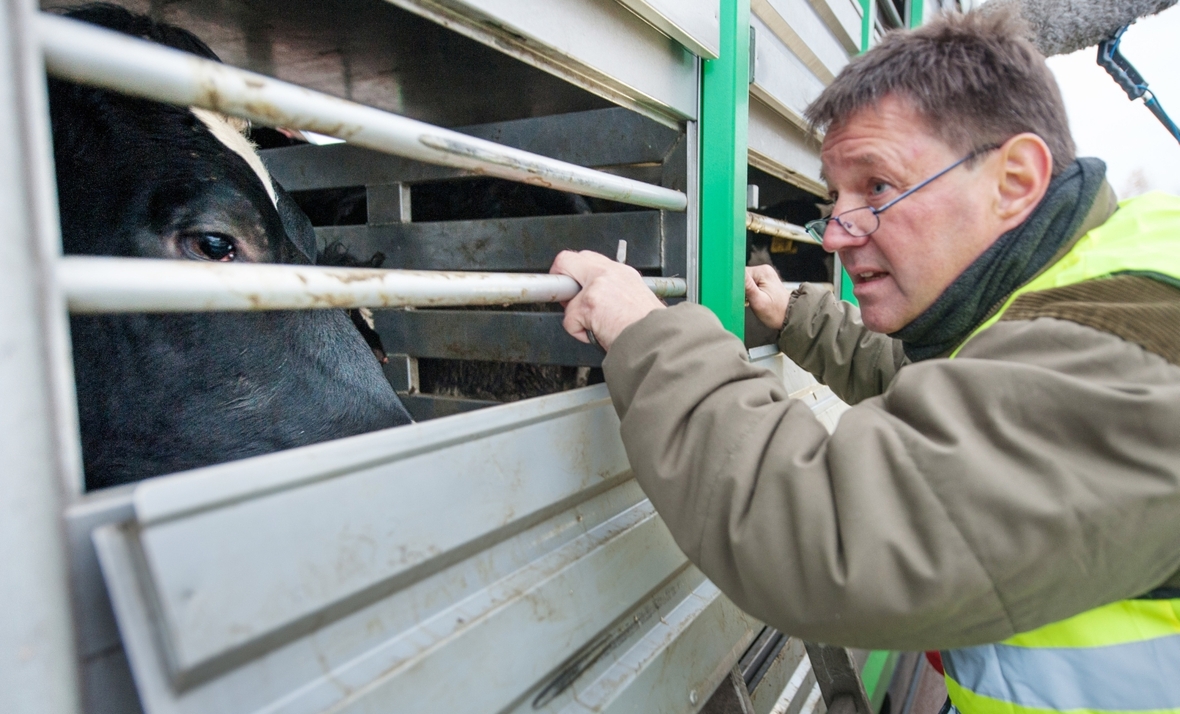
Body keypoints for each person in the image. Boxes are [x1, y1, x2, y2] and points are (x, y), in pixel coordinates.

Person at [549, 8, 1180, 714]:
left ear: (1014, 180)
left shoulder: (1130, 351)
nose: (837, 236)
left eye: (877, 187)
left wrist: (647, 333)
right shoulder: (1086, 289)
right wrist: (801, 318)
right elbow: (958, 400)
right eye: (833, 199)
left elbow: (829, 537)